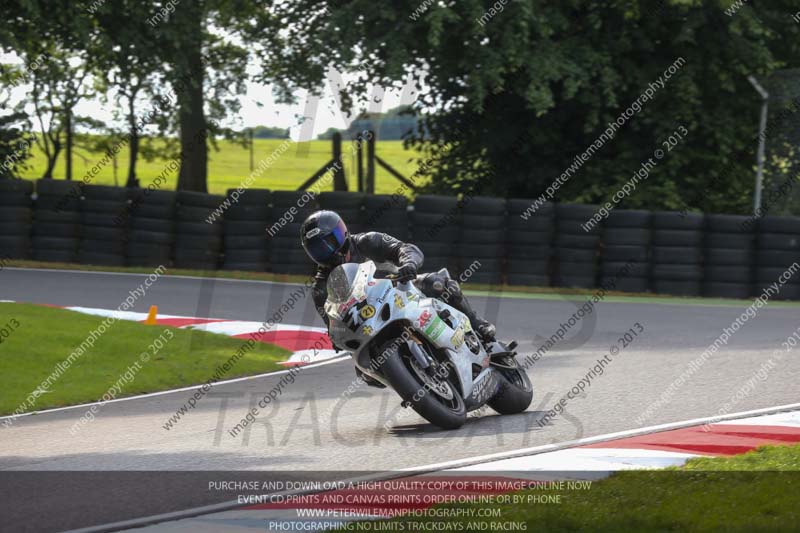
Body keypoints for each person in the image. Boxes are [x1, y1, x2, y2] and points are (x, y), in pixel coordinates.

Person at [301, 210, 497, 343]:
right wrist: (337, 337)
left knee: (438, 284)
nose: (326, 251)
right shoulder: (320, 288)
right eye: (318, 249)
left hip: (403, 290)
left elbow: (405, 248)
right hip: (371, 322)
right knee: (364, 372)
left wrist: (409, 264)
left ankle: (477, 324)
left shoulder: (367, 241)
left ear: (341, 233)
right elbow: (333, 326)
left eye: (328, 242)